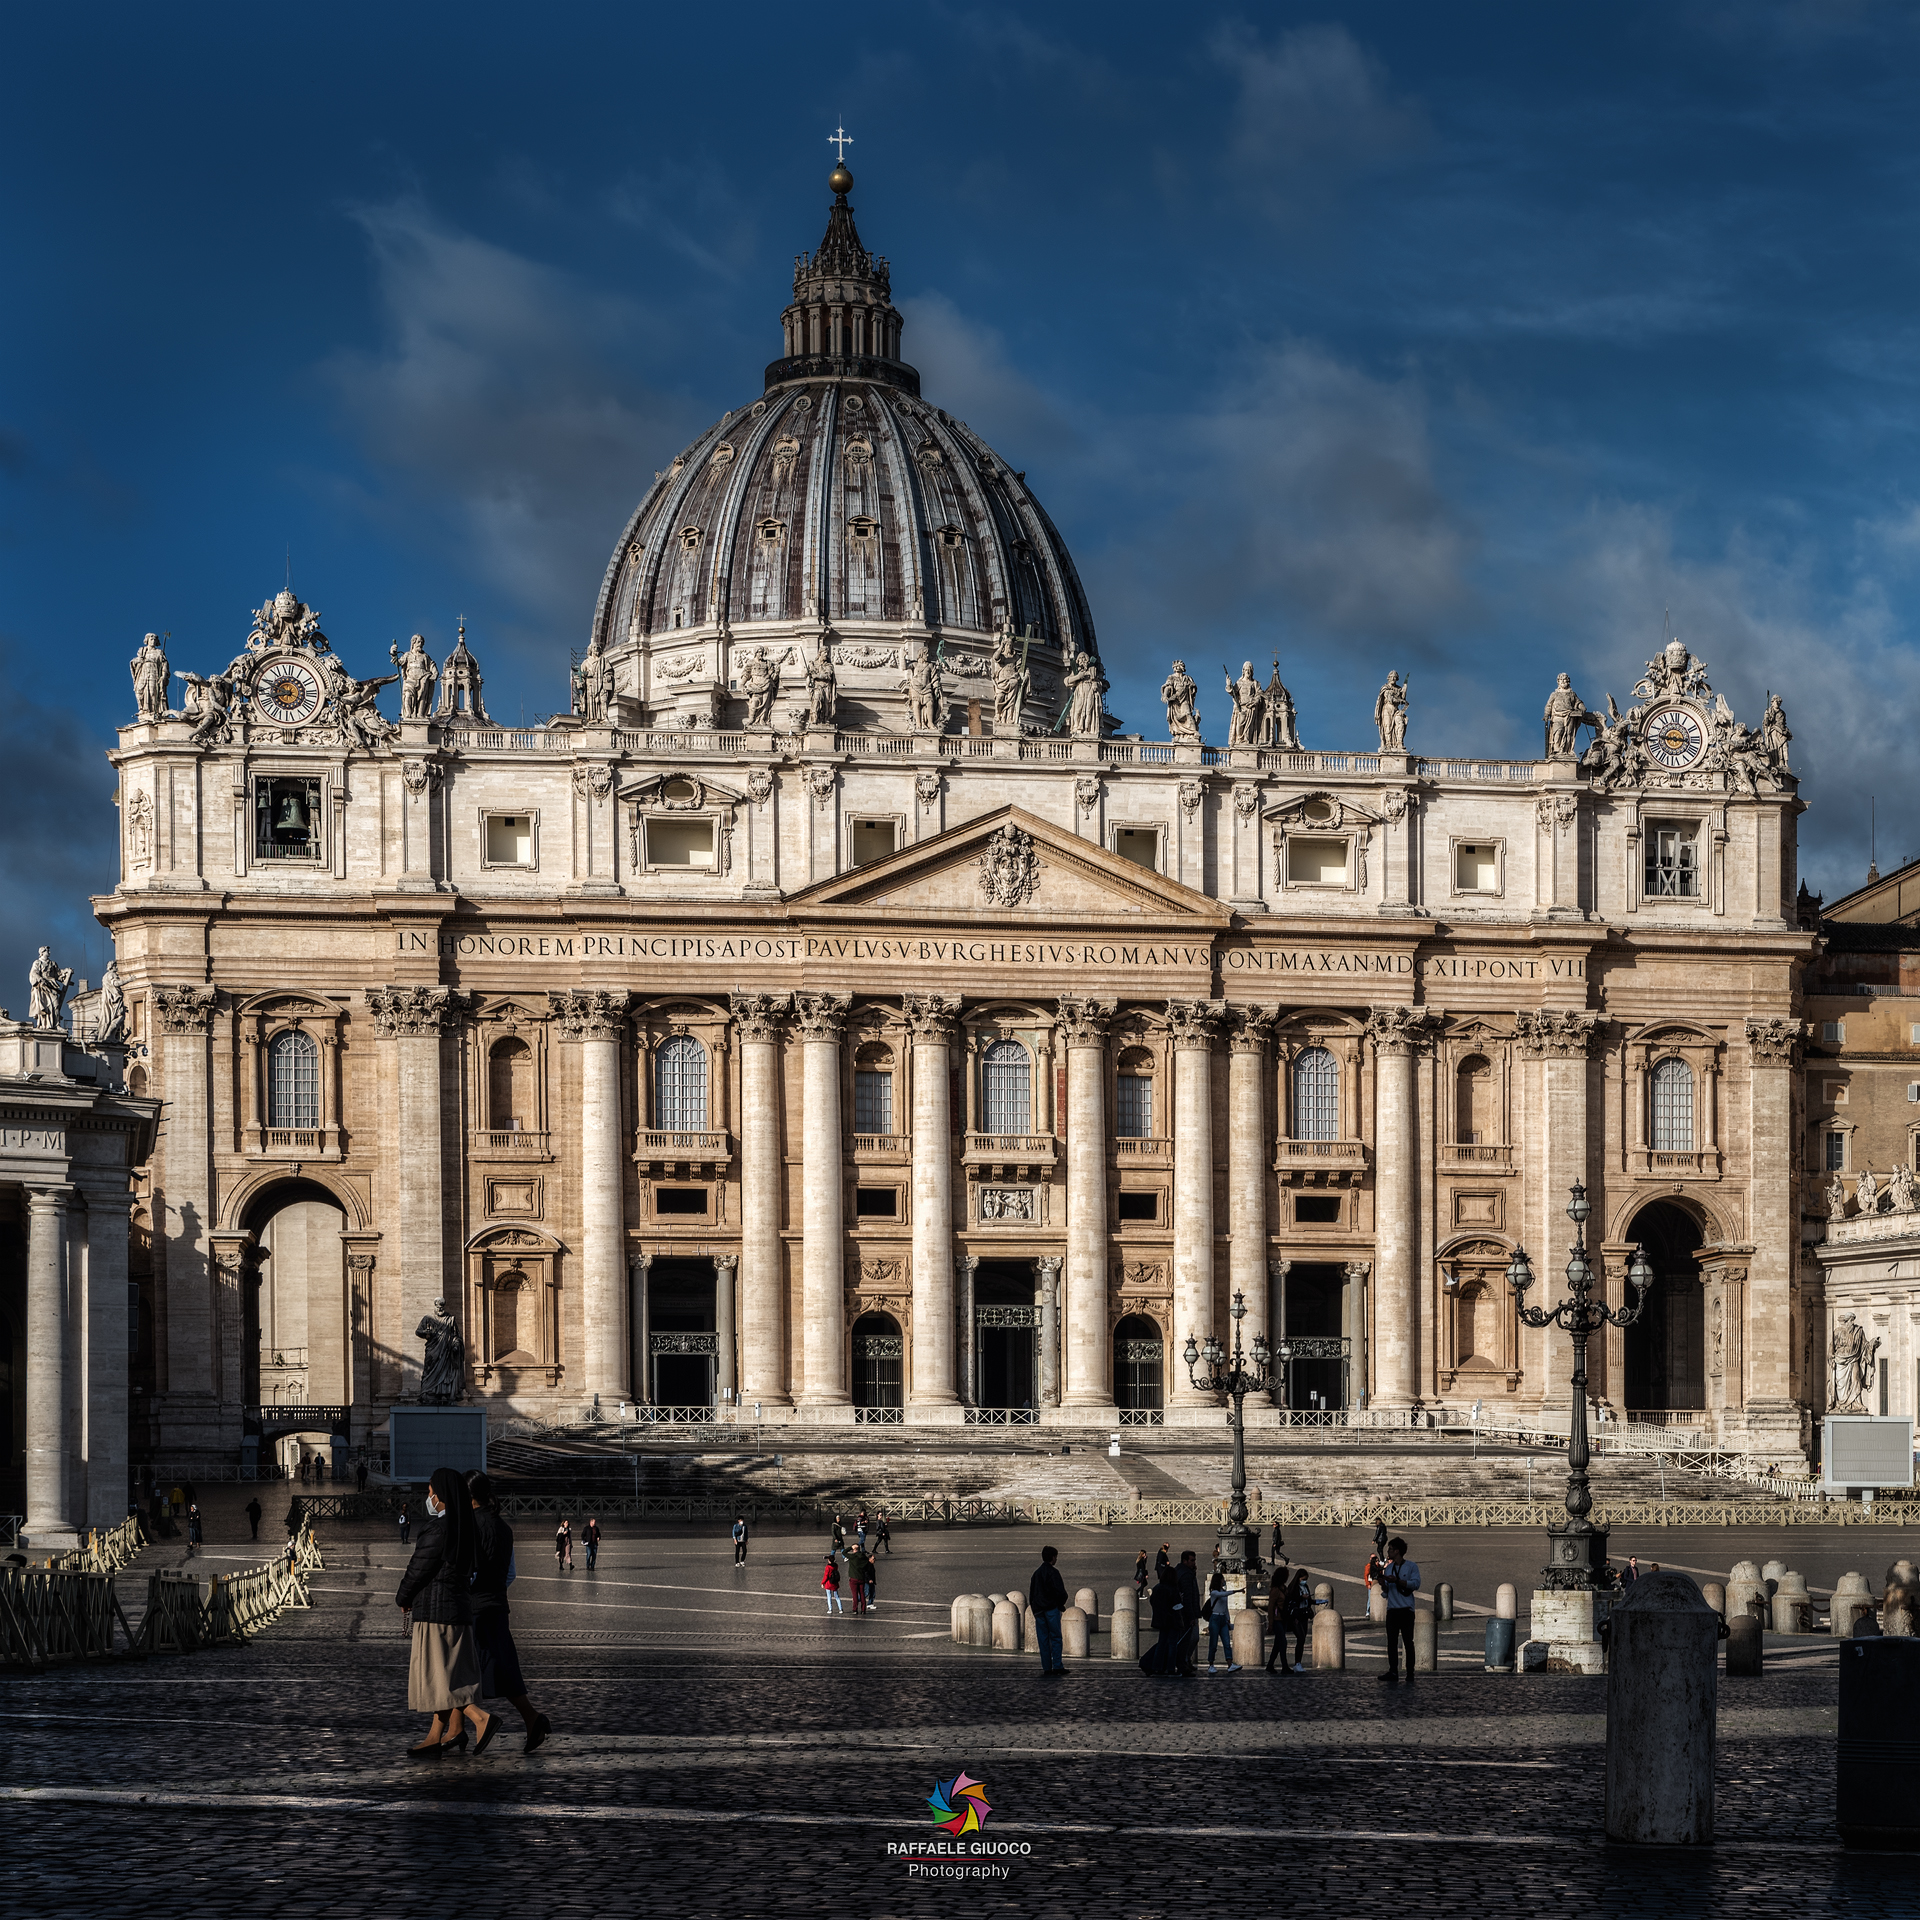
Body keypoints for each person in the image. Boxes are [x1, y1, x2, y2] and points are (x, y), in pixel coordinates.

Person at [394, 1465, 489, 1757]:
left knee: (440, 1677)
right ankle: (439, 1734)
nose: (429, 1497)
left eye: (431, 1492)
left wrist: (403, 1597)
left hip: (436, 1612)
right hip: (459, 1610)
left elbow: (418, 1569)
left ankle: (479, 1718)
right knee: (450, 1674)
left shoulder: (437, 1528)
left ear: (442, 1496)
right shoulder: (467, 1527)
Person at [465, 1472, 550, 1754]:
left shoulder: (469, 1526)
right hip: (498, 1605)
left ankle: (471, 1723)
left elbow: (468, 1571)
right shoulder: (504, 1527)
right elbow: (510, 1573)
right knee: (502, 1667)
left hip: (474, 1605)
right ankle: (532, 1718)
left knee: (456, 1667)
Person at [1377, 1537, 1422, 1684]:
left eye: (1390, 1549)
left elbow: (1415, 1584)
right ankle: (1393, 1671)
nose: (1388, 1551)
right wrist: (1383, 1584)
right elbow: (1386, 1592)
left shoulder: (1411, 1566)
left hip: (1406, 1610)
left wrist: (1396, 1581)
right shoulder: (1388, 1568)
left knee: (1408, 1642)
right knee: (1391, 1642)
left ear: (1397, 1551)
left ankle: (1410, 1673)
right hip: (1392, 1609)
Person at [1030, 1545, 1070, 1677]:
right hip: (1051, 1609)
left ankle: (1047, 1667)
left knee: (1043, 1640)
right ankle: (1058, 1665)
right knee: (1056, 1638)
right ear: (1053, 1558)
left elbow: (1032, 1594)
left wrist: (1035, 1609)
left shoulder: (1036, 1573)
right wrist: (1059, 1604)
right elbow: (1061, 1592)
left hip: (1039, 1611)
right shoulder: (1054, 1573)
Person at [1144, 1564, 1186, 1676]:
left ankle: (1157, 1667)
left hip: (1161, 1620)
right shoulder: (1173, 1589)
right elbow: (1177, 1605)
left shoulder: (1157, 1588)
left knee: (1161, 1644)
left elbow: (1152, 1601)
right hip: (1172, 1620)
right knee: (1172, 1645)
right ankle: (1170, 1668)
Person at [1205, 1571, 1238, 1673]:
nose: (1224, 1581)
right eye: (1222, 1579)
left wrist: (1228, 1618)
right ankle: (1211, 1664)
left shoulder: (1222, 1592)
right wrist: (1236, 1591)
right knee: (1213, 1643)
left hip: (1223, 1618)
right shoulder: (1214, 1593)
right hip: (1215, 1618)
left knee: (1227, 1643)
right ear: (1218, 1581)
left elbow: (1225, 1607)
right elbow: (1223, 1594)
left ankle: (1230, 1664)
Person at [1175, 1551, 1203, 1676]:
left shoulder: (1182, 1572)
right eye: (1191, 1560)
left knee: (1188, 1639)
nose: (1194, 1563)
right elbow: (1188, 1598)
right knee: (1189, 1639)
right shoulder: (1186, 1575)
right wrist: (1192, 1616)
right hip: (1187, 1614)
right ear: (1185, 1561)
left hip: (1183, 1612)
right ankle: (1184, 1662)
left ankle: (1185, 1661)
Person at [847, 1543, 871, 1614]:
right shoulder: (864, 1557)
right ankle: (863, 1610)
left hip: (853, 1578)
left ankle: (855, 1609)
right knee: (862, 1594)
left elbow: (844, 1552)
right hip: (861, 1578)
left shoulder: (852, 1557)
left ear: (854, 1549)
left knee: (855, 1595)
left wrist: (850, 1547)